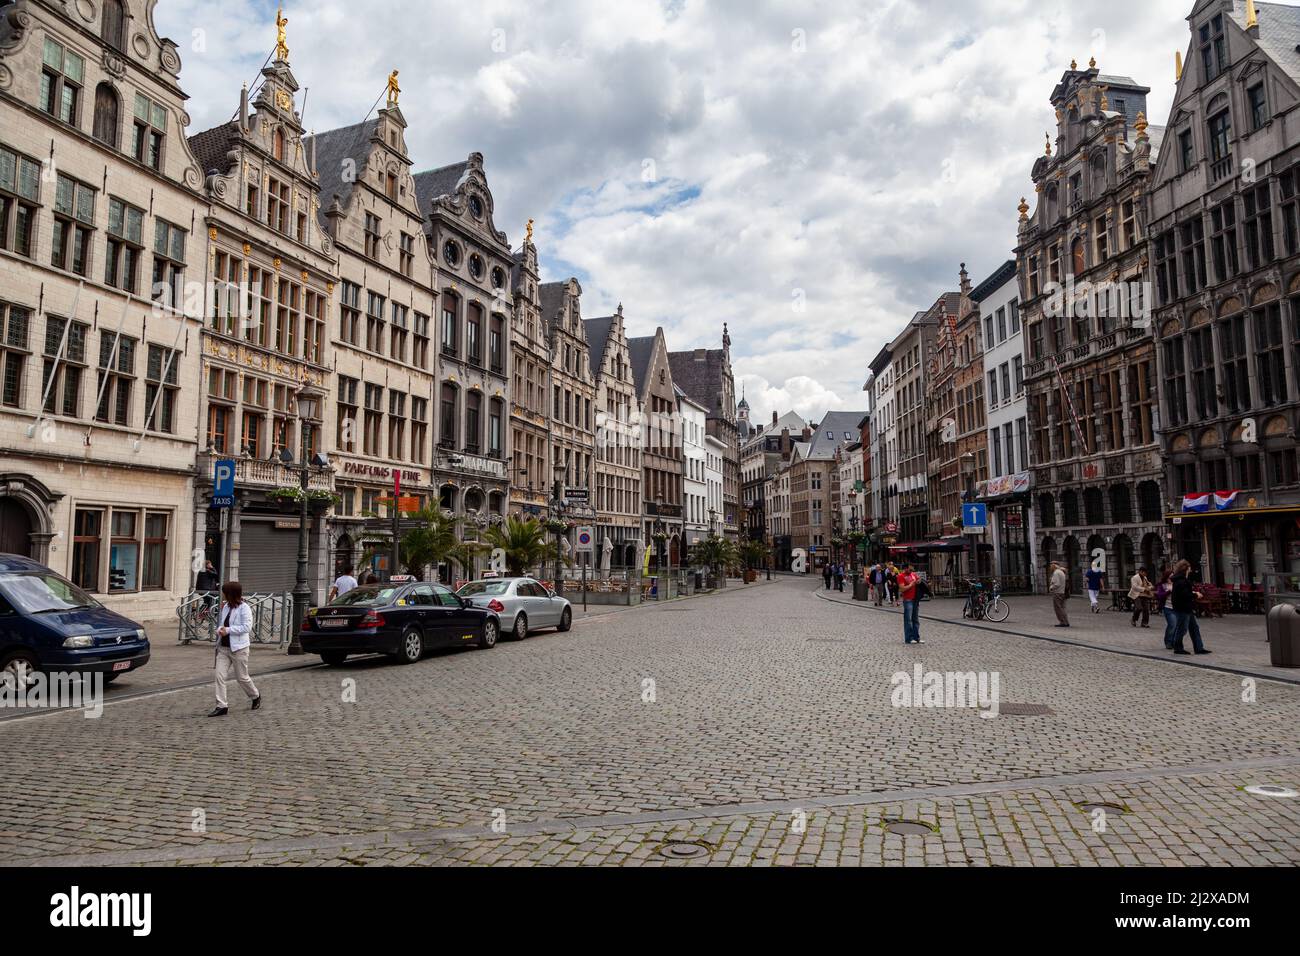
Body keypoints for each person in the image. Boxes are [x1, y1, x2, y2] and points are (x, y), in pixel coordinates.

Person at [208, 581, 260, 717]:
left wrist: (229, 630)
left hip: (239, 649)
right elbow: (221, 624)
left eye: (225, 593)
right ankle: (222, 705)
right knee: (219, 676)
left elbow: (247, 627)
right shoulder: (225, 607)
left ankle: (255, 695)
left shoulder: (245, 608)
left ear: (231, 594)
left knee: (242, 677)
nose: (223, 595)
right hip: (223, 648)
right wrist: (219, 630)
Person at [1169, 559, 1211, 655]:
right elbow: (1184, 594)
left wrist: (1193, 593)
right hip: (1183, 608)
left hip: (1186, 607)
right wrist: (1196, 595)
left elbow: (1183, 593)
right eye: (1189, 568)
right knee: (1182, 628)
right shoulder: (1181, 581)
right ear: (1186, 569)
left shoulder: (1180, 580)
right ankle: (1178, 647)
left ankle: (1199, 647)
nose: (1190, 570)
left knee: (1194, 628)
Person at [898, 563, 923, 644]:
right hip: (908, 599)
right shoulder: (901, 576)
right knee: (908, 619)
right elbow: (902, 589)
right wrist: (911, 585)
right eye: (910, 569)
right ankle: (909, 638)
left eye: (912, 569)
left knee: (915, 619)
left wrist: (919, 581)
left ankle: (917, 638)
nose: (911, 571)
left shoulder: (913, 574)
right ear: (905, 569)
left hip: (915, 599)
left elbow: (918, 580)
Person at [1154, 568, 1176, 648]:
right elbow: (1160, 595)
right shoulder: (1162, 585)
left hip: (1177, 608)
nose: (1171, 579)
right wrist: (1168, 591)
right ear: (1166, 577)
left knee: (1176, 625)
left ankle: (1174, 641)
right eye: (1170, 577)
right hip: (1168, 607)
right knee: (1172, 624)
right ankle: (1168, 642)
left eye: (1173, 577)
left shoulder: (1176, 584)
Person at [1048, 562, 1070, 627]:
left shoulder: (1056, 573)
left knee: (1058, 608)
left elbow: (1057, 584)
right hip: (1062, 592)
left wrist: (1051, 587)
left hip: (1057, 592)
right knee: (1062, 607)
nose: (1050, 567)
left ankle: (1062, 622)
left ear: (1054, 566)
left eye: (1051, 565)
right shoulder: (1061, 572)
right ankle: (1066, 621)